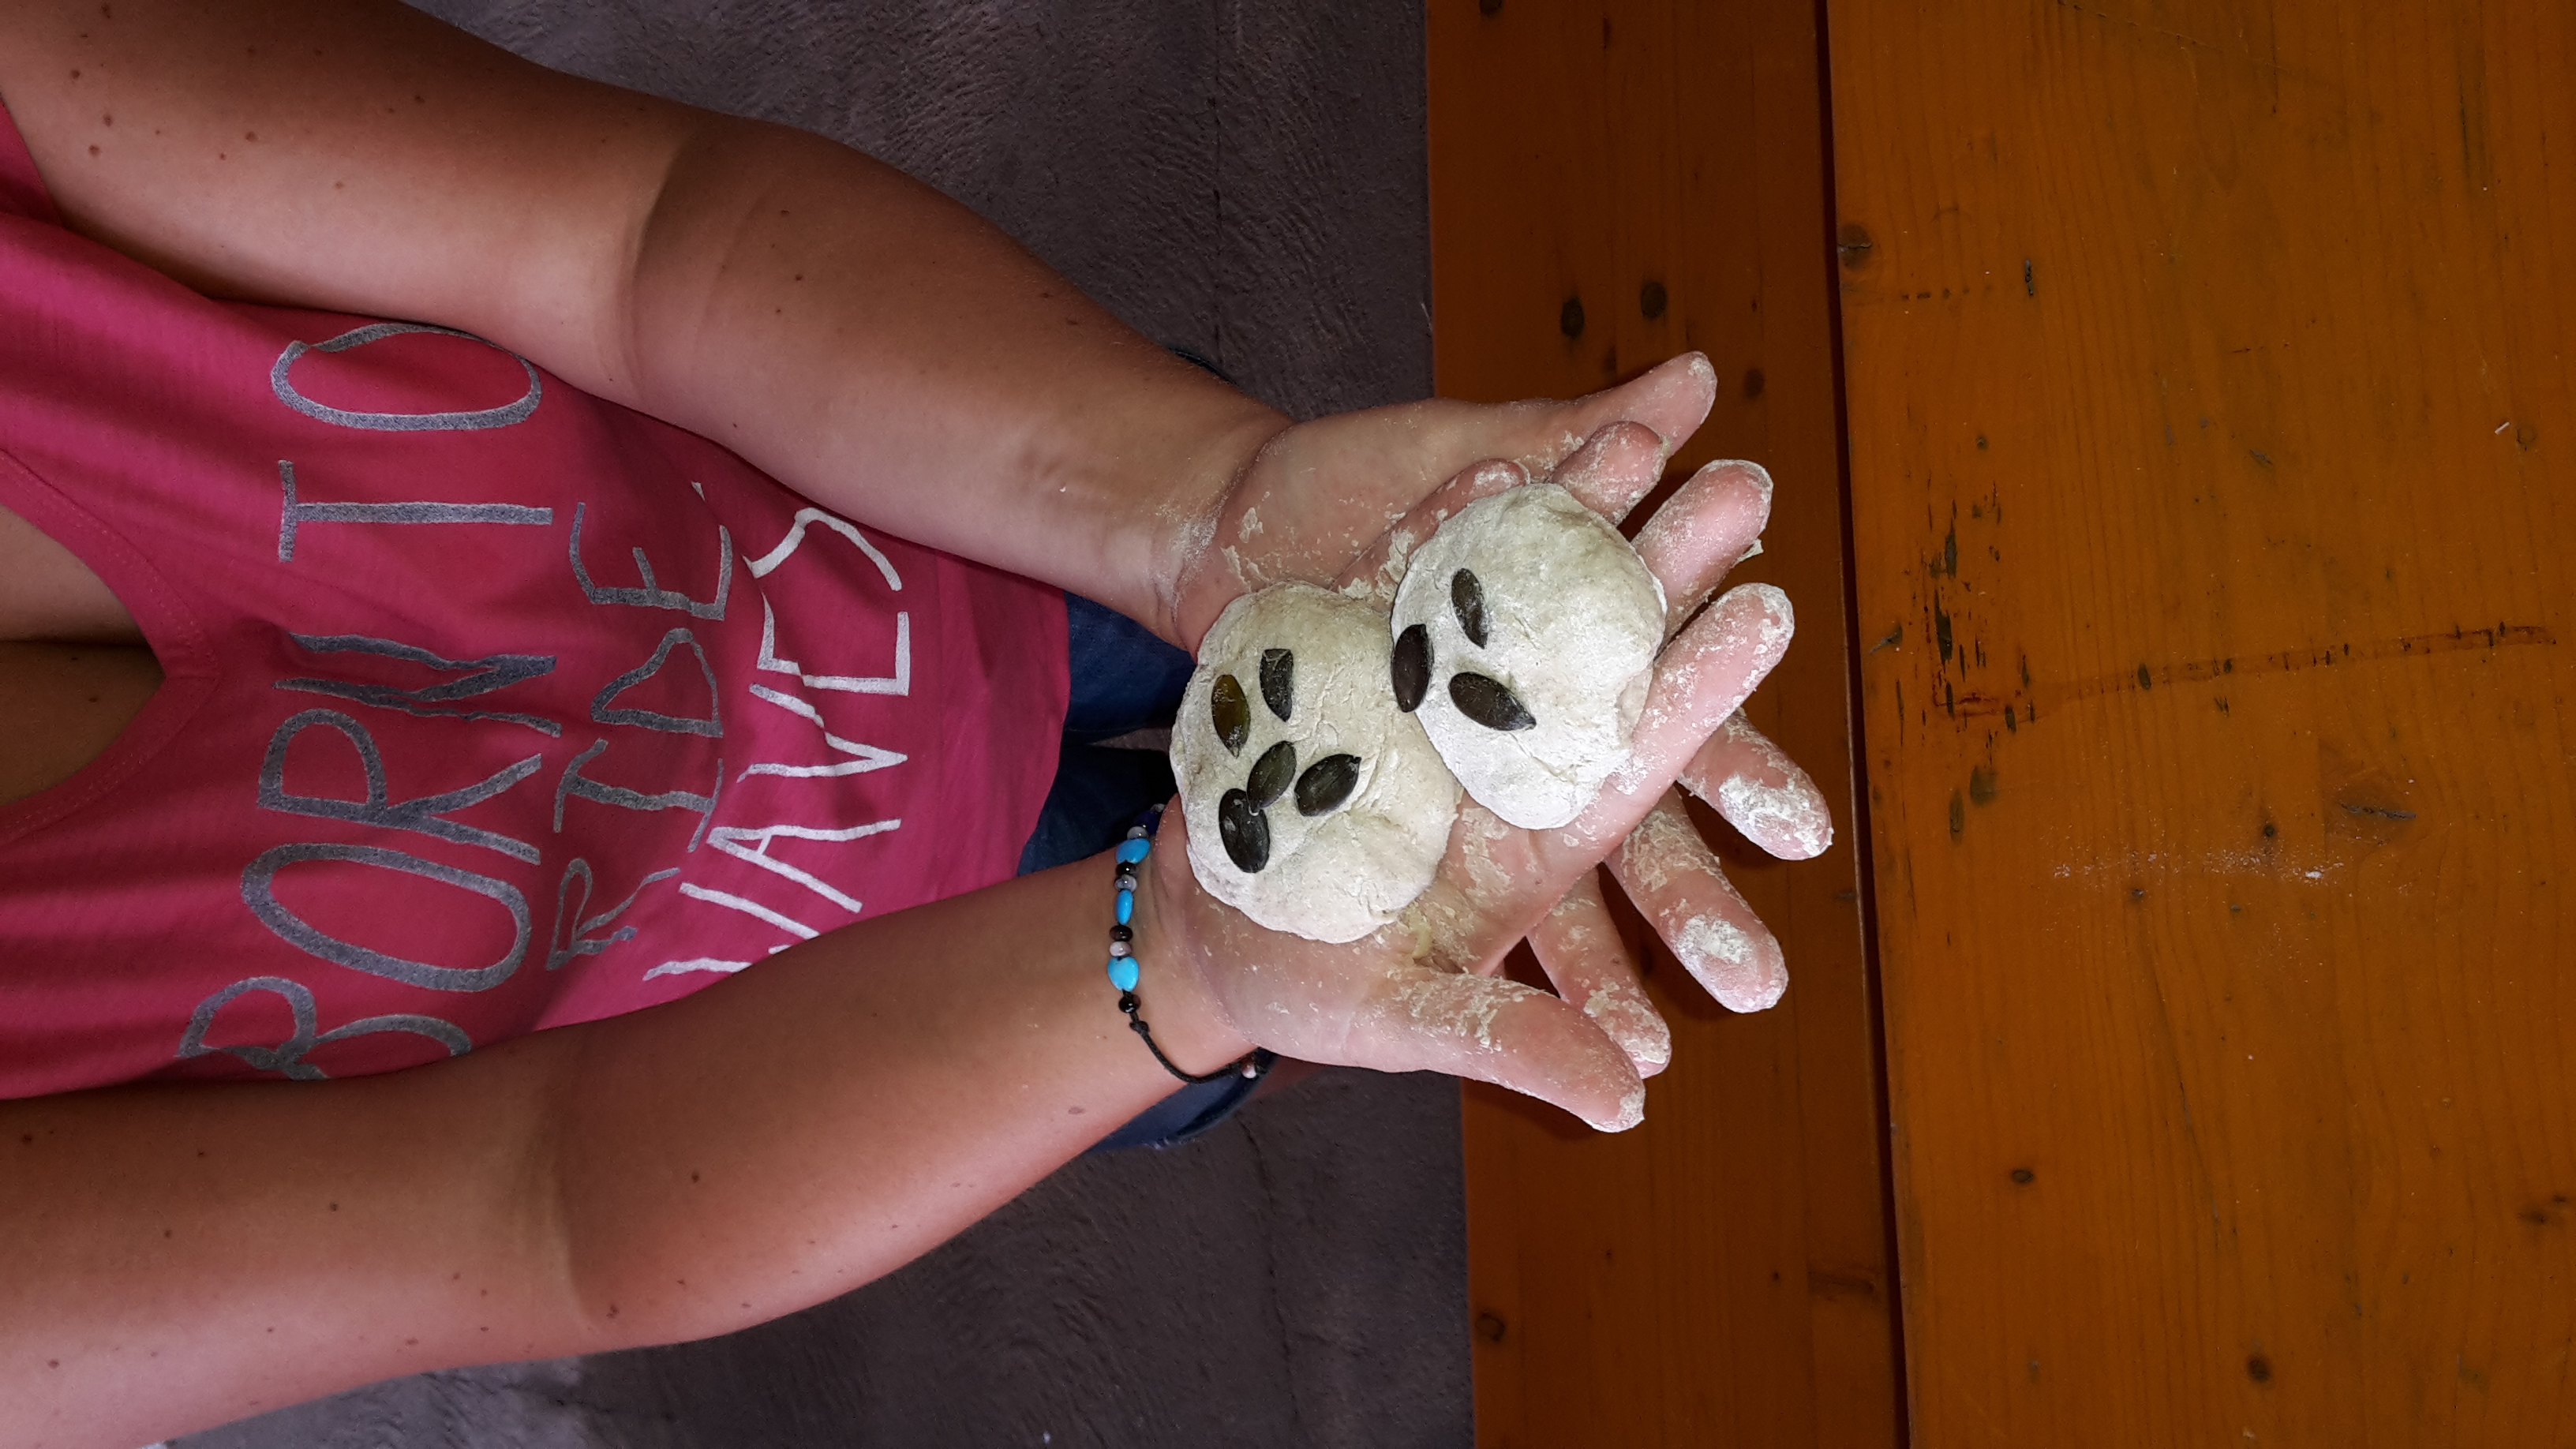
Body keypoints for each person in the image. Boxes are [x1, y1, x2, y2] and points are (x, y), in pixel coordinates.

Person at [0, 2, 1825, 1444]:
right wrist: (1182, 967)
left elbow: (647, 240)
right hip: (936, 988)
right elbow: (547, 1207)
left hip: (987, 501)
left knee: (1331, 634)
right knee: (1282, 978)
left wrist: (1207, 504)